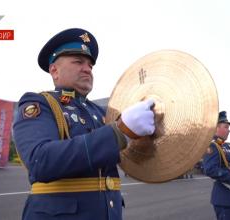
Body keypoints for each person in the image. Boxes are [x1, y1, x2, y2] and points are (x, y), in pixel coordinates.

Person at [13, 28, 155, 220]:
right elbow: (40, 161)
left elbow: (128, 156)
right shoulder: (40, 103)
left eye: (90, 65)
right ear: (54, 70)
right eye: (78, 62)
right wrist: (120, 132)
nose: (87, 69)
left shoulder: (100, 112)